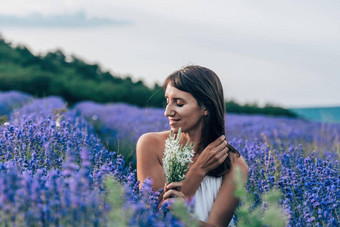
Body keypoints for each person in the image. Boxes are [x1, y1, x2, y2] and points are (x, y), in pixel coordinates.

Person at [136, 65, 248, 227]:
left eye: (179, 103)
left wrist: (183, 217)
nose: (167, 112)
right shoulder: (150, 145)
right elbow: (156, 216)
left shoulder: (234, 164)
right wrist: (199, 169)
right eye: (167, 101)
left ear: (206, 108)